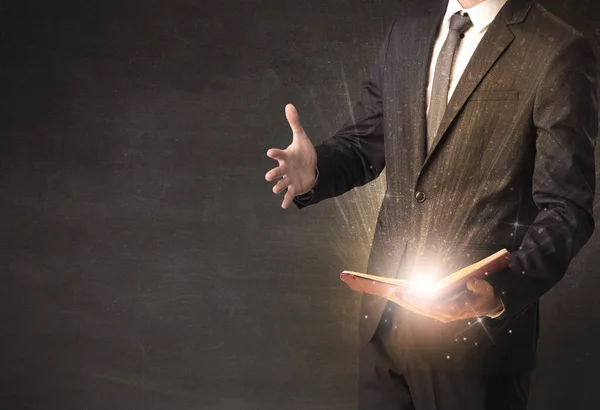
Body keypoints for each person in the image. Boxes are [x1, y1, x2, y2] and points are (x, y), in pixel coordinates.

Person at [265, 0, 597, 408]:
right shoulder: (406, 32)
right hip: (384, 330)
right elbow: (363, 145)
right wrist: (315, 171)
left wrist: (499, 292)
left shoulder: (557, 48)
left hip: (477, 344)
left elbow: (567, 208)